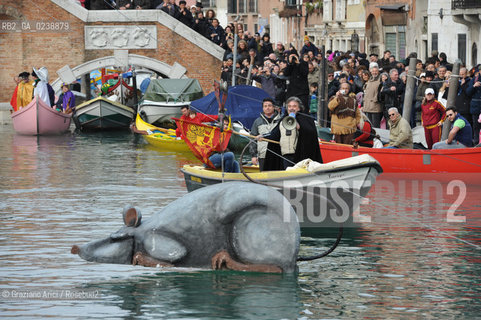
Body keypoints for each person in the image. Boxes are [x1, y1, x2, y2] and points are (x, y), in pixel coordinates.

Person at [261, 96, 322, 170]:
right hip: (285, 155)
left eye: (294, 106)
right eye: (289, 106)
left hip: (300, 154)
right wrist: (262, 137)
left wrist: (299, 126)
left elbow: (310, 133)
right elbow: (274, 134)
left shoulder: (305, 119)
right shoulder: (283, 120)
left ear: (299, 108)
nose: (291, 108)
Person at [249, 98, 282, 171]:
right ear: (263, 108)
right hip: (263, 155)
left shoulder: (281, 120)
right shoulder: (257, 121)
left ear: (274, 107)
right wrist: (253, 156)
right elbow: (252, 139)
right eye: (265, 106)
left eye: (269, 106)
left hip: (278, 154)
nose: (267, 108)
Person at [362, 62, 382, 128]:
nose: (374, 72)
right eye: (373, 71)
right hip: (367, 106)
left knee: (375, 125)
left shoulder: (380, 79)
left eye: (376, 71)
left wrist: (375, 99)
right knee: (369, 125)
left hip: (375, 106)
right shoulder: (369, 80)